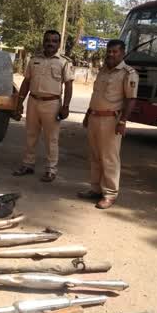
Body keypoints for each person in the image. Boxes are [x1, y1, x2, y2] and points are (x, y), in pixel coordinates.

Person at [78, 39, 139, 209]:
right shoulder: (103, 70)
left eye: (115, 52)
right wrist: (87, 115)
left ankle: (110, 194)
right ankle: (95, 189)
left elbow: (131, 99)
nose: (111, 54)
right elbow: (95, 95)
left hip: (111, 121)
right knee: (95, 156)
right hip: (94, 118)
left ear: (122, 52)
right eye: (109, 51)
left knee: (109, 158)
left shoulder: (128, 73)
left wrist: (123, 121)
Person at [12, 30, 74, 182]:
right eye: (47, 40)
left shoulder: (64, 62)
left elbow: (69, 85)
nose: (50, 43)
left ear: (58, 44)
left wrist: (65, 106)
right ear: (43, 41)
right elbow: (26, 82)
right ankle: (28, 164)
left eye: (54, 41)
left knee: (51, 139)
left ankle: (51, 169)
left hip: (52, 104)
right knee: (30, 136)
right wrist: (19, 103)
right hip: (33, 101)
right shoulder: (34, 60)